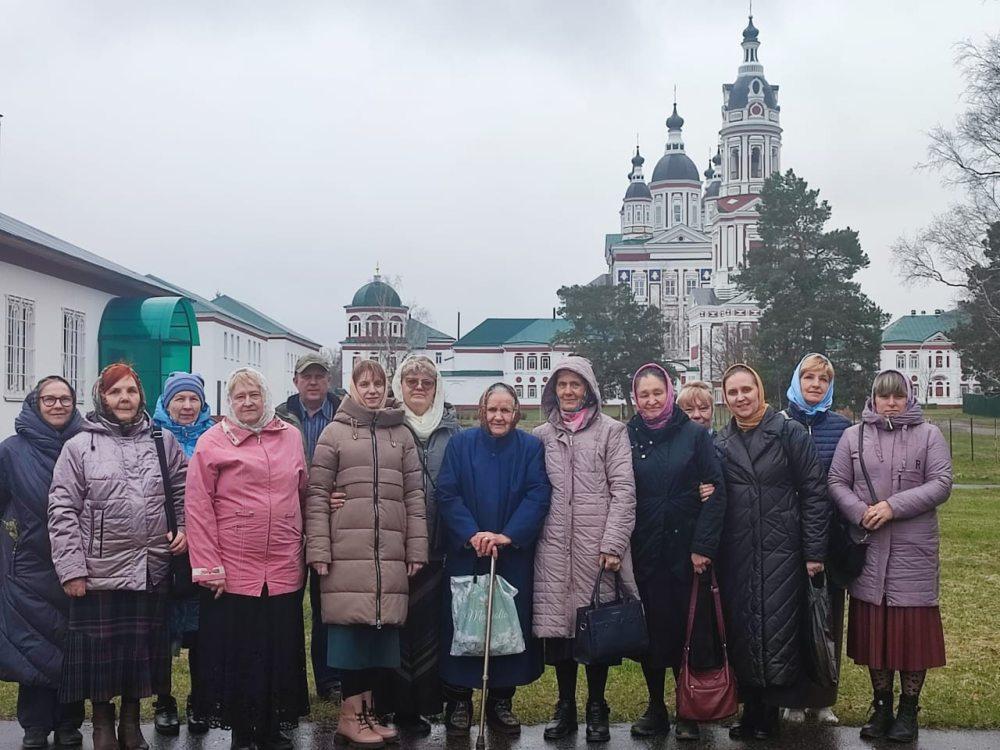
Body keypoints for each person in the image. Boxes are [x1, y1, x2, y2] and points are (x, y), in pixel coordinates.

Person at [48, 363, 187, 750]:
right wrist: (72, 569)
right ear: (101, 398)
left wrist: (185, 529)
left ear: (141, 396)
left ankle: (131, 723)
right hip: (99, 573)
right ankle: (102, 726)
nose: (124, 398)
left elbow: (182, 491)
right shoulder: (79, 446)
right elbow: (62, 510)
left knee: (138, 656)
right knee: (101, 657)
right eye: (115, 392)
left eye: (131, 391)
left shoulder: (162, 441)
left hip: (150, 568)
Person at [306, 359, 428, 749]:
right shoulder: (334, 433)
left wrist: (416, 547)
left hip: (387, 554)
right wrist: (319, 549)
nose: (372, 390)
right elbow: (317, 495)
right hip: (347, 553)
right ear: (353, 388)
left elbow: (414, 496)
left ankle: (368, 712)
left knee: (379, 637)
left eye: (378, 383)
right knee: (351, 638)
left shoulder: (400, 434)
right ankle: (349, 716)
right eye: (364, 384)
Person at [186, 367, 310, 750]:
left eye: (254, 394)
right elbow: (198, 506)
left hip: (283, 564)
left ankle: (272, 728)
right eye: (239, 396)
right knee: (241, 653)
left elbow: (303, 491)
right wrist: (209, 566)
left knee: (278, 650)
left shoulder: (291, 437)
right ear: (229, 402)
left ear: (266, 396)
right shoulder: (212, 442)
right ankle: (242, 731)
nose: (248, 402)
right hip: (234, 568)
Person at [828, 370, 951, 744]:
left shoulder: (929, 435)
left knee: (911, 635)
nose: (892, 403)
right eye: (885, 396)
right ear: (874, 399)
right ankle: (881, 707)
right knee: (876, 634)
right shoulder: (854, 436)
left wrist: (893, 507)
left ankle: (908, 710)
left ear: (908, 398)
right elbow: (836, 481)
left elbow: (941, 482)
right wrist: (859, 511)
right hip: (869, 547)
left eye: (898, 396)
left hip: (913, 551)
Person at [714, 364, 829, 741]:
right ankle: (751, 707)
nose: (741, 398)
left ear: (759, 390)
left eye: (746, 389)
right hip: (739, 551)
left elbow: (814, 492)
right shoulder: (722, 441)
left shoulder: (788, 432)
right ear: (725, 398)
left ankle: (771, 710)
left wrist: (814, 551)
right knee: (745, 628)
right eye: (733, 392)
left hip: (783, 549)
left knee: (778, 629)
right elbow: (714, 489)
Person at [435, 383, 551, 737]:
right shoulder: (461, 444)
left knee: (507, 627)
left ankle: (501, 701)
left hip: (509, 554)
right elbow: (447, 492)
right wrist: (472, 534)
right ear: (481, 411)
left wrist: (508, 535)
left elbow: (537, 493)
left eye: (505, 410)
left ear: (516, 413)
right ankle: (458, 701)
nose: (498, 416)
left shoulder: (530, 447)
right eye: (492, 409)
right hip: (467, 554)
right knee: (463, 624)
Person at [530, 356, 636, 743]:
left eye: (576, 384)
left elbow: (624, 491)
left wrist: (613, 543)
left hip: (596, 549)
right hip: (553, 547)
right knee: (560, 633)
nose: (569, 391)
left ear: (588, 389)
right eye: (562, 384)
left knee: (596, 629)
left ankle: (597, 706)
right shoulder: (541, 436)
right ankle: (565, 707)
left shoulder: (612, 432)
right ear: (553, 390)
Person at [361, 355, 462, 735]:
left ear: (437, 388)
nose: (419, 387)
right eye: (411, 381)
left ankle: (418, 708)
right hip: (391, 547)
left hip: (439, 549)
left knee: (427, 631)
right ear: (398, 386)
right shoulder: (384, 424)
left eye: (426, 382)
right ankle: (388, 706)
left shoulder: (454, 432)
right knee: (391, 629)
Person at [627, 364, 727, 742]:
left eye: (658, 392)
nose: (652, 400)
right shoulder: (628, 436)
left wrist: (703, 546)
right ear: (635, 399)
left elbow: (715, 490)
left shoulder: (694, 435)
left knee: (688, 632)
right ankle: (656, 707)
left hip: (687, 553)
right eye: (644, 394)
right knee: (652, 634)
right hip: (645, 550)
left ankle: (688, 707)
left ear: (669, 393)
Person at [0, 377, 85, 749]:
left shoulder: (85, 444)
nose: (57, 405)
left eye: (65, 399)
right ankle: (34, 725)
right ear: (35, 403)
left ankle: (69, 722)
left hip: (77, 563)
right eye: (49, 399)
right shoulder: (11, 451)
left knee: (72, 646)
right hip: (29, 564)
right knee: (32, 647)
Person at [773, 354, 852, 725]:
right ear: (797, 380)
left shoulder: (842, 428)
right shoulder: (779, 424)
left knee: (826, 619)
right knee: (789, 618)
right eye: (809, 377)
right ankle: (792, 697)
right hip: (786, 536)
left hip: (828, 539)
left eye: (823, 379)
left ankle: (822, 699)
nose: (816, 384)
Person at [275, 353, 343, 701]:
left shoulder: (344, 414)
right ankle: (287, 682)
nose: (313, 382)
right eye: (307, 376)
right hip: (288, 521)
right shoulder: (279, 417)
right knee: (286, 606)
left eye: (319, 376)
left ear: (328, 380)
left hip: (332, 521)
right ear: (296, 381)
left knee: (325, 603)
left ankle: (328, 679)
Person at [150, 371, 214, 737]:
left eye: (194, 399)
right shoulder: (151, 436)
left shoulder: (216, 437)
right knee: (162, 631)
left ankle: (200, 699)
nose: (187, 406)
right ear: (166, 402)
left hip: (206, 547)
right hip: (165, 546)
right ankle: (163, 701)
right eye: (180, 399)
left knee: (204, 632)